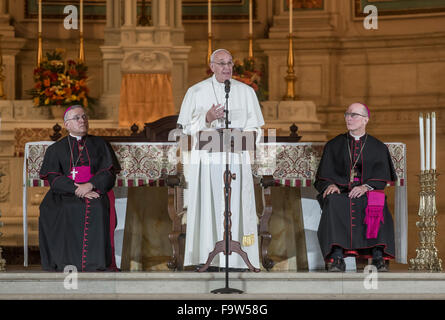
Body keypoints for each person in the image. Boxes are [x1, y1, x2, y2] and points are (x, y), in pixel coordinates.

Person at [177, 49, 264, 270]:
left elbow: (256, 127)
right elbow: (185, 127)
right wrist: (207, 118)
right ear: (212, 66)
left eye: (230, 63)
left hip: (236, 159)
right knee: (209, 203)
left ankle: (238, 258)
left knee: (237, 205)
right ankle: (210, 256)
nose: (227, 67)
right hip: (208, 162)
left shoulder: (246, 92)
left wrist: (248, 135)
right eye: (221, 63)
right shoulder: (196, 91)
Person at [315, 102, 397, 272]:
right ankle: (337, 257)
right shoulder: (334, 145)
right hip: (342, 193)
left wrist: (366, 187)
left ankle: (378, 256)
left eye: (354, 115)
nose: (349, 118)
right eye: (347, 115)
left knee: (376, 200)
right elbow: (322, 176)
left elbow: (382, 178)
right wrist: (330, 184)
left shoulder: (377, 147)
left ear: (365, 120)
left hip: (367, 192)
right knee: (333, 201)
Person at [39, 105, 121, 272]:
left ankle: (96, 263)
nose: (82, 120)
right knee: (52, 209)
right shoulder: (56, 149)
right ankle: (62, 261)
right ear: (67, 124)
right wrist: (77, 189)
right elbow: (54, 178)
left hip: (94, 190)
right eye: (77, 118)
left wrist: (90, 185)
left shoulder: (100, 144)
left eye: (84, 117)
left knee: (98, 206)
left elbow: (108, 172)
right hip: (64, 193)